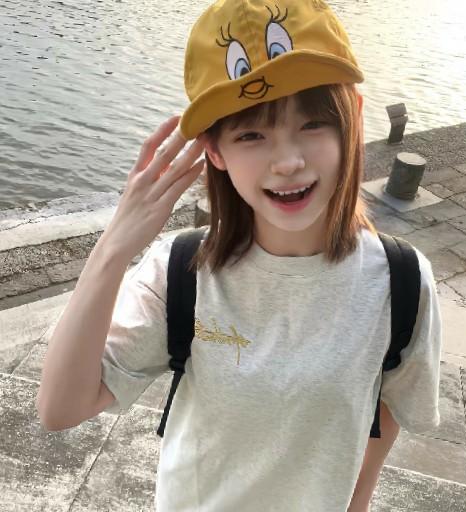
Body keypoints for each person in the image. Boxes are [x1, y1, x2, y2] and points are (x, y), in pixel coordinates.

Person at [37, 0, 442, 511]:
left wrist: (357, 503)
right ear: (215, 150)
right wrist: (112, 249)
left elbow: (388, 409)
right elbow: (61, 408)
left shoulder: (401, 282)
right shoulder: (181, 271)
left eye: (313, 124)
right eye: (252, 134)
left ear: (353, 119)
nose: (288, 162)